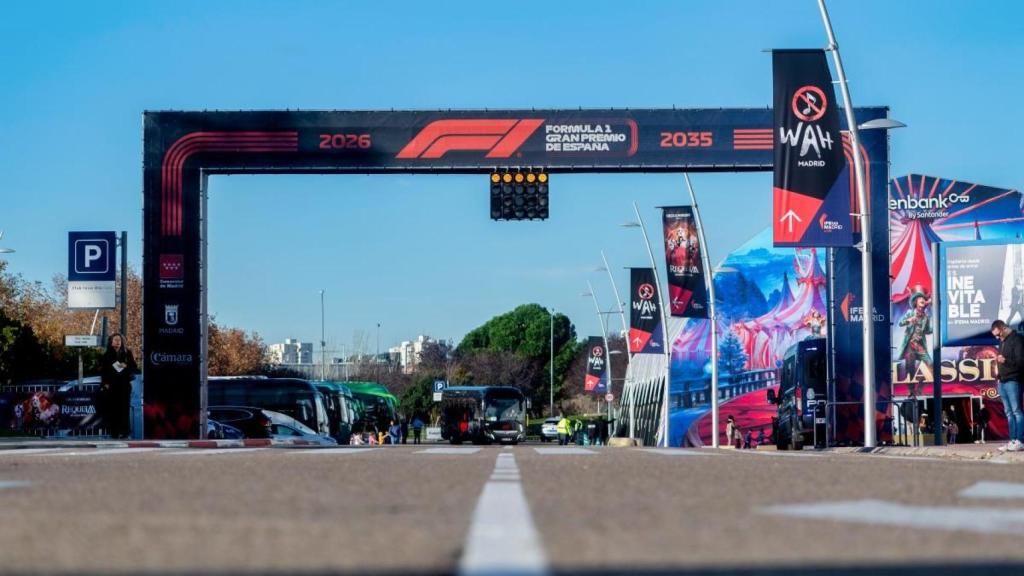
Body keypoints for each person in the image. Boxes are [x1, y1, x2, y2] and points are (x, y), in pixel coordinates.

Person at [992, 320, 1024, 451]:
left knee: (1017, 411)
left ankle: (1020, 440)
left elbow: (1021, 362)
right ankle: (1012, 440)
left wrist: (1005, 360)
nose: (997, 338)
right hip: (1003, 380)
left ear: (1003, 328)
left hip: (1013, 380)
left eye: (998, 335)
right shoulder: (1002, 341)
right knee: (1009, 412)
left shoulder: (1017, 339)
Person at [100, 333, 138, 439]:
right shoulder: (107, 355)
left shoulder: (127, 353)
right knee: (113, 409)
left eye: (119, 340)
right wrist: (105, 383)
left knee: (124, 409)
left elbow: (134, 366)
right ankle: (114, 432)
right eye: (115, 340)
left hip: (124, 385)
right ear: (111, 342)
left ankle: (125, 431)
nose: (118, 342)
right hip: (112, 386)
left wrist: (126, 364)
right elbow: (103, 371)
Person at [898, 291, 933, 398]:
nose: (922, 299)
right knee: (910, 368)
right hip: (910, 345)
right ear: (916, 302)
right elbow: (900, 323)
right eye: (919, 298)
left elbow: (927, 330)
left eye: (923, 298)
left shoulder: (926, 317)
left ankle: (920, 388)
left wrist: (935, 327)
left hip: (920, 345)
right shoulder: (910, 312)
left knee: (930, 364)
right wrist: (909, 320)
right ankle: (911, 391)